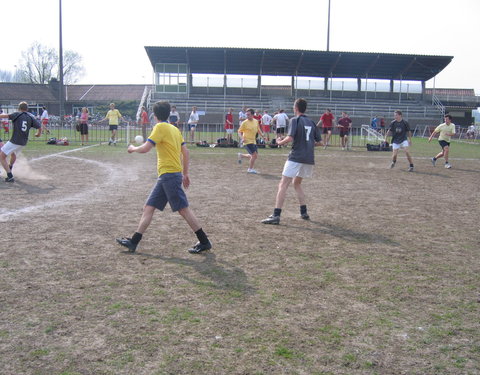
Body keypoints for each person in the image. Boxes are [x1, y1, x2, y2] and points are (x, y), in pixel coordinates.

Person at [116, 101, 212, 254]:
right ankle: (133, 242)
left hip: (169, 175)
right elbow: (185, 152)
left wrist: (133, 148)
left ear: (154, 116)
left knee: (183, 209)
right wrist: (185, 173)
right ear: (168, 114)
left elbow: (146, 148)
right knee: (148, 207)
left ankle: (204, 241)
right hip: (167, 175)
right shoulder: (174, 129)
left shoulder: (160, 127)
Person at [262, 98, 322, 225]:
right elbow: (320, 142)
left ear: (295, 108)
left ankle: (276, 215)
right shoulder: (311, 122)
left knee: (283, 184)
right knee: (297, 184)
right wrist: (308, 144)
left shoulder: (295, 120)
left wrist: (279, 142)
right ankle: (304, 212)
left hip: (296, 157)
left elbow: (290, 137)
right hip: (308, 158)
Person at [0, 101, 41, 182]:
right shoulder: (30, 117)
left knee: (2, 156)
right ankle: (10, 168)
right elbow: (39, 126)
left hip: (15, 141)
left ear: (19, 108)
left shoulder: (17, 114)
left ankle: (10, 176)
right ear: (27, 108)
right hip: (23, 142)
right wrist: (38, 134)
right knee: (13, 154)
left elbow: (4, 116)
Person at [237, 108, 265, 174]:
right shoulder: (244, 123)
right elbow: (239, 131)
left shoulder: (256, 121)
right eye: (246, 114)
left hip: (253, 141)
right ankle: (250, 169)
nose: (247, 116)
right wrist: (242, 138)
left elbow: (258, 129)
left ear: (252, 115)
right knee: (254, 155)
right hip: (247, 141)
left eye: (248, 114)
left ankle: (241, 155)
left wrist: (263, 136)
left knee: (255, 156)